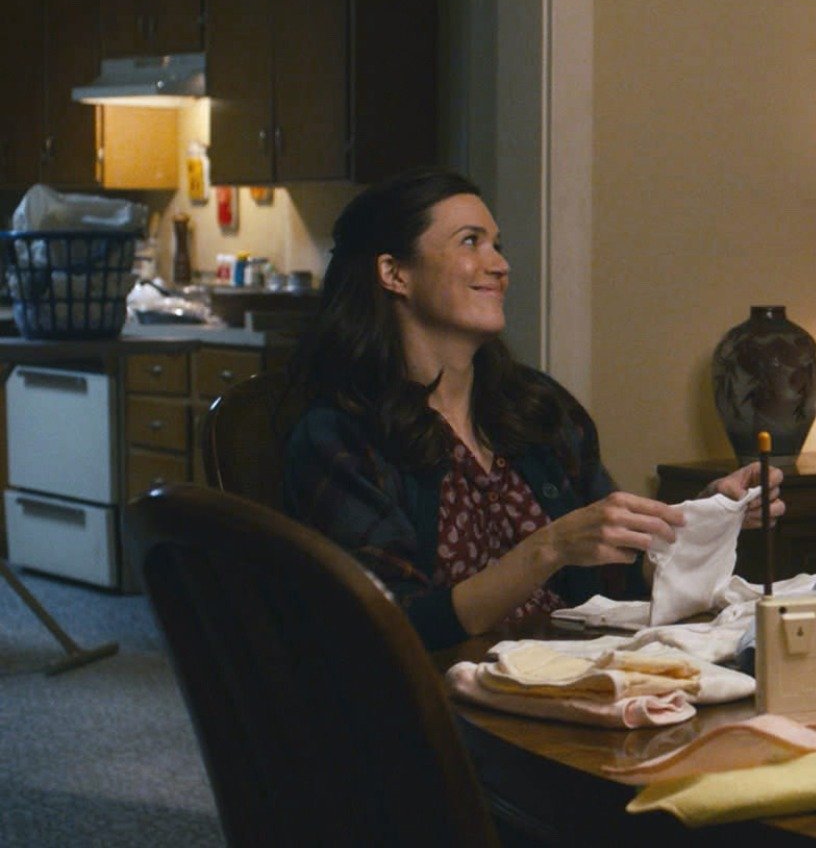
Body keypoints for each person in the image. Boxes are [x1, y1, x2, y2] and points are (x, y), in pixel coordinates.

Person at [283, 168, 782, 649]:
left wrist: (704, 519)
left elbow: (621, 577)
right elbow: (387, 624)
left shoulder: (537, 408)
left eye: (496, 245)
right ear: (394, 273)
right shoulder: (339, 434)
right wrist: (548, 548)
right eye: (470, 242)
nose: (499, 266)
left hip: (577, 677)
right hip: (436, 695)